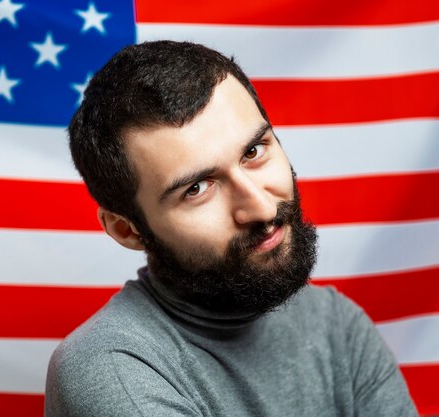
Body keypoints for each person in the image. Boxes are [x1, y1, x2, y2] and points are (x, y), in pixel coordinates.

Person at [45, 41, 417, 416]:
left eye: (254, 152)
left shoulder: (336, 325)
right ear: (127, 231)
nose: (260, 206)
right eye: (196, 189)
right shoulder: (111, 370)